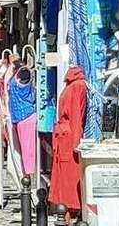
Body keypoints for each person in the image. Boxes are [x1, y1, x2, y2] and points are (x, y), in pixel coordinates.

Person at [49, 66, 87, 222]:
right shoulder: (79, 86)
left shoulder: (70, 86)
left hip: (64, 136)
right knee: (69, 179)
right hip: (69, 138)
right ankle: (68, 215)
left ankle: (66, 215)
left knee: (65, 179)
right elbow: (76, 116)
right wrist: (77, 144)